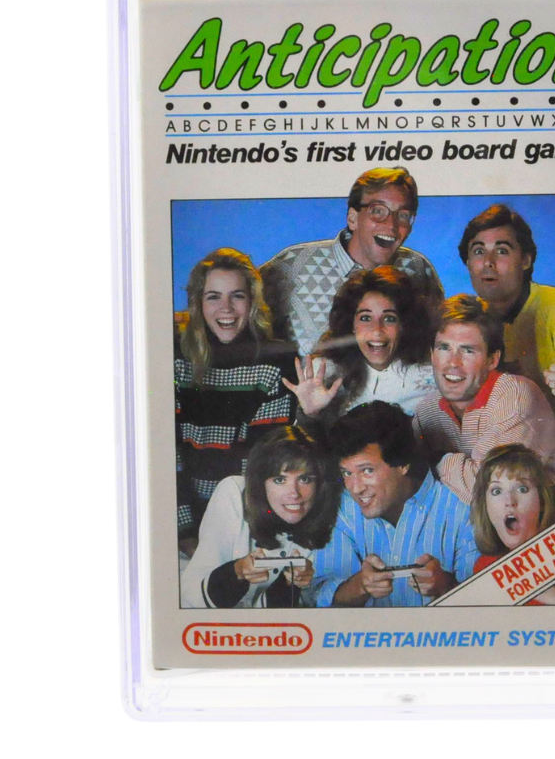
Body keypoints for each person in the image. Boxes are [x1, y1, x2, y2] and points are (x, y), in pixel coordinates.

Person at [413, 295, 555, 507]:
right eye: (444, 348)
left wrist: (436, 461)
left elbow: (488, 491)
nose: (453, 363)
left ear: (492, 360)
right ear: (432, 354)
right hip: (506, 518)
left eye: (468, 350)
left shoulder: (515, 395)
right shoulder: (427, 409)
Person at [175, 248, 296, 553]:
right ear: (198, 303)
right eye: (213, 297)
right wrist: (185, 533)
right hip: (180, 523)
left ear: (252, 302)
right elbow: (166, 455)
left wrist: (244, 538)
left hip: (248, 523)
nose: (226, 308)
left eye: (237, 296)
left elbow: (263, 462)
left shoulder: (276, 361)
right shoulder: (174, 356)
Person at [458, 204, 555, 472]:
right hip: (513, 475)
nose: (488, 262)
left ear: (526, 260)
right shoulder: (472, 319)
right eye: (478, 251)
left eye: (502, 250)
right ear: (468, 263)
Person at [310, 401, 478, 607]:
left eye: (367, 471)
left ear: (403, 463)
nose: (355, 488)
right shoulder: (343, 509)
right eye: (347, 473)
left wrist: (446, 586)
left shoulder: (461, 507)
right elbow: (318, 595)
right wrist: (360, 586)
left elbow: (487, 606)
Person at [260, 167, 443, 355]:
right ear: (353, 218)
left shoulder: (418, 269)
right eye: (377, 211)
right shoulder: (291, 266)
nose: (391, 225)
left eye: (403, 215)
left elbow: (439, 343)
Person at [180, 425, 341, 608]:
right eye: (280, 480)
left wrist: (289, 585)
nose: (294, 493)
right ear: (260, 482)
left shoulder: (330, 516)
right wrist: (237, 572)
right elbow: (190, 596)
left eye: (304, 479)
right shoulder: (234, 492)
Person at [284, 266, 435, 427]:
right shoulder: (324, 372)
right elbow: (300, 442)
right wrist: (310, 414)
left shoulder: (431, 373)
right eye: (365, 318)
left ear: (403, 325)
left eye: (389, 318)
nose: (377, 330)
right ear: (351, 324)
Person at [470, 444, 555, 605]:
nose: (509, 501)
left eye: (522, 489)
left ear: (542, 501)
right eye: (496, 491)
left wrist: (549, 594)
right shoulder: (484, 567)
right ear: (486, 505)